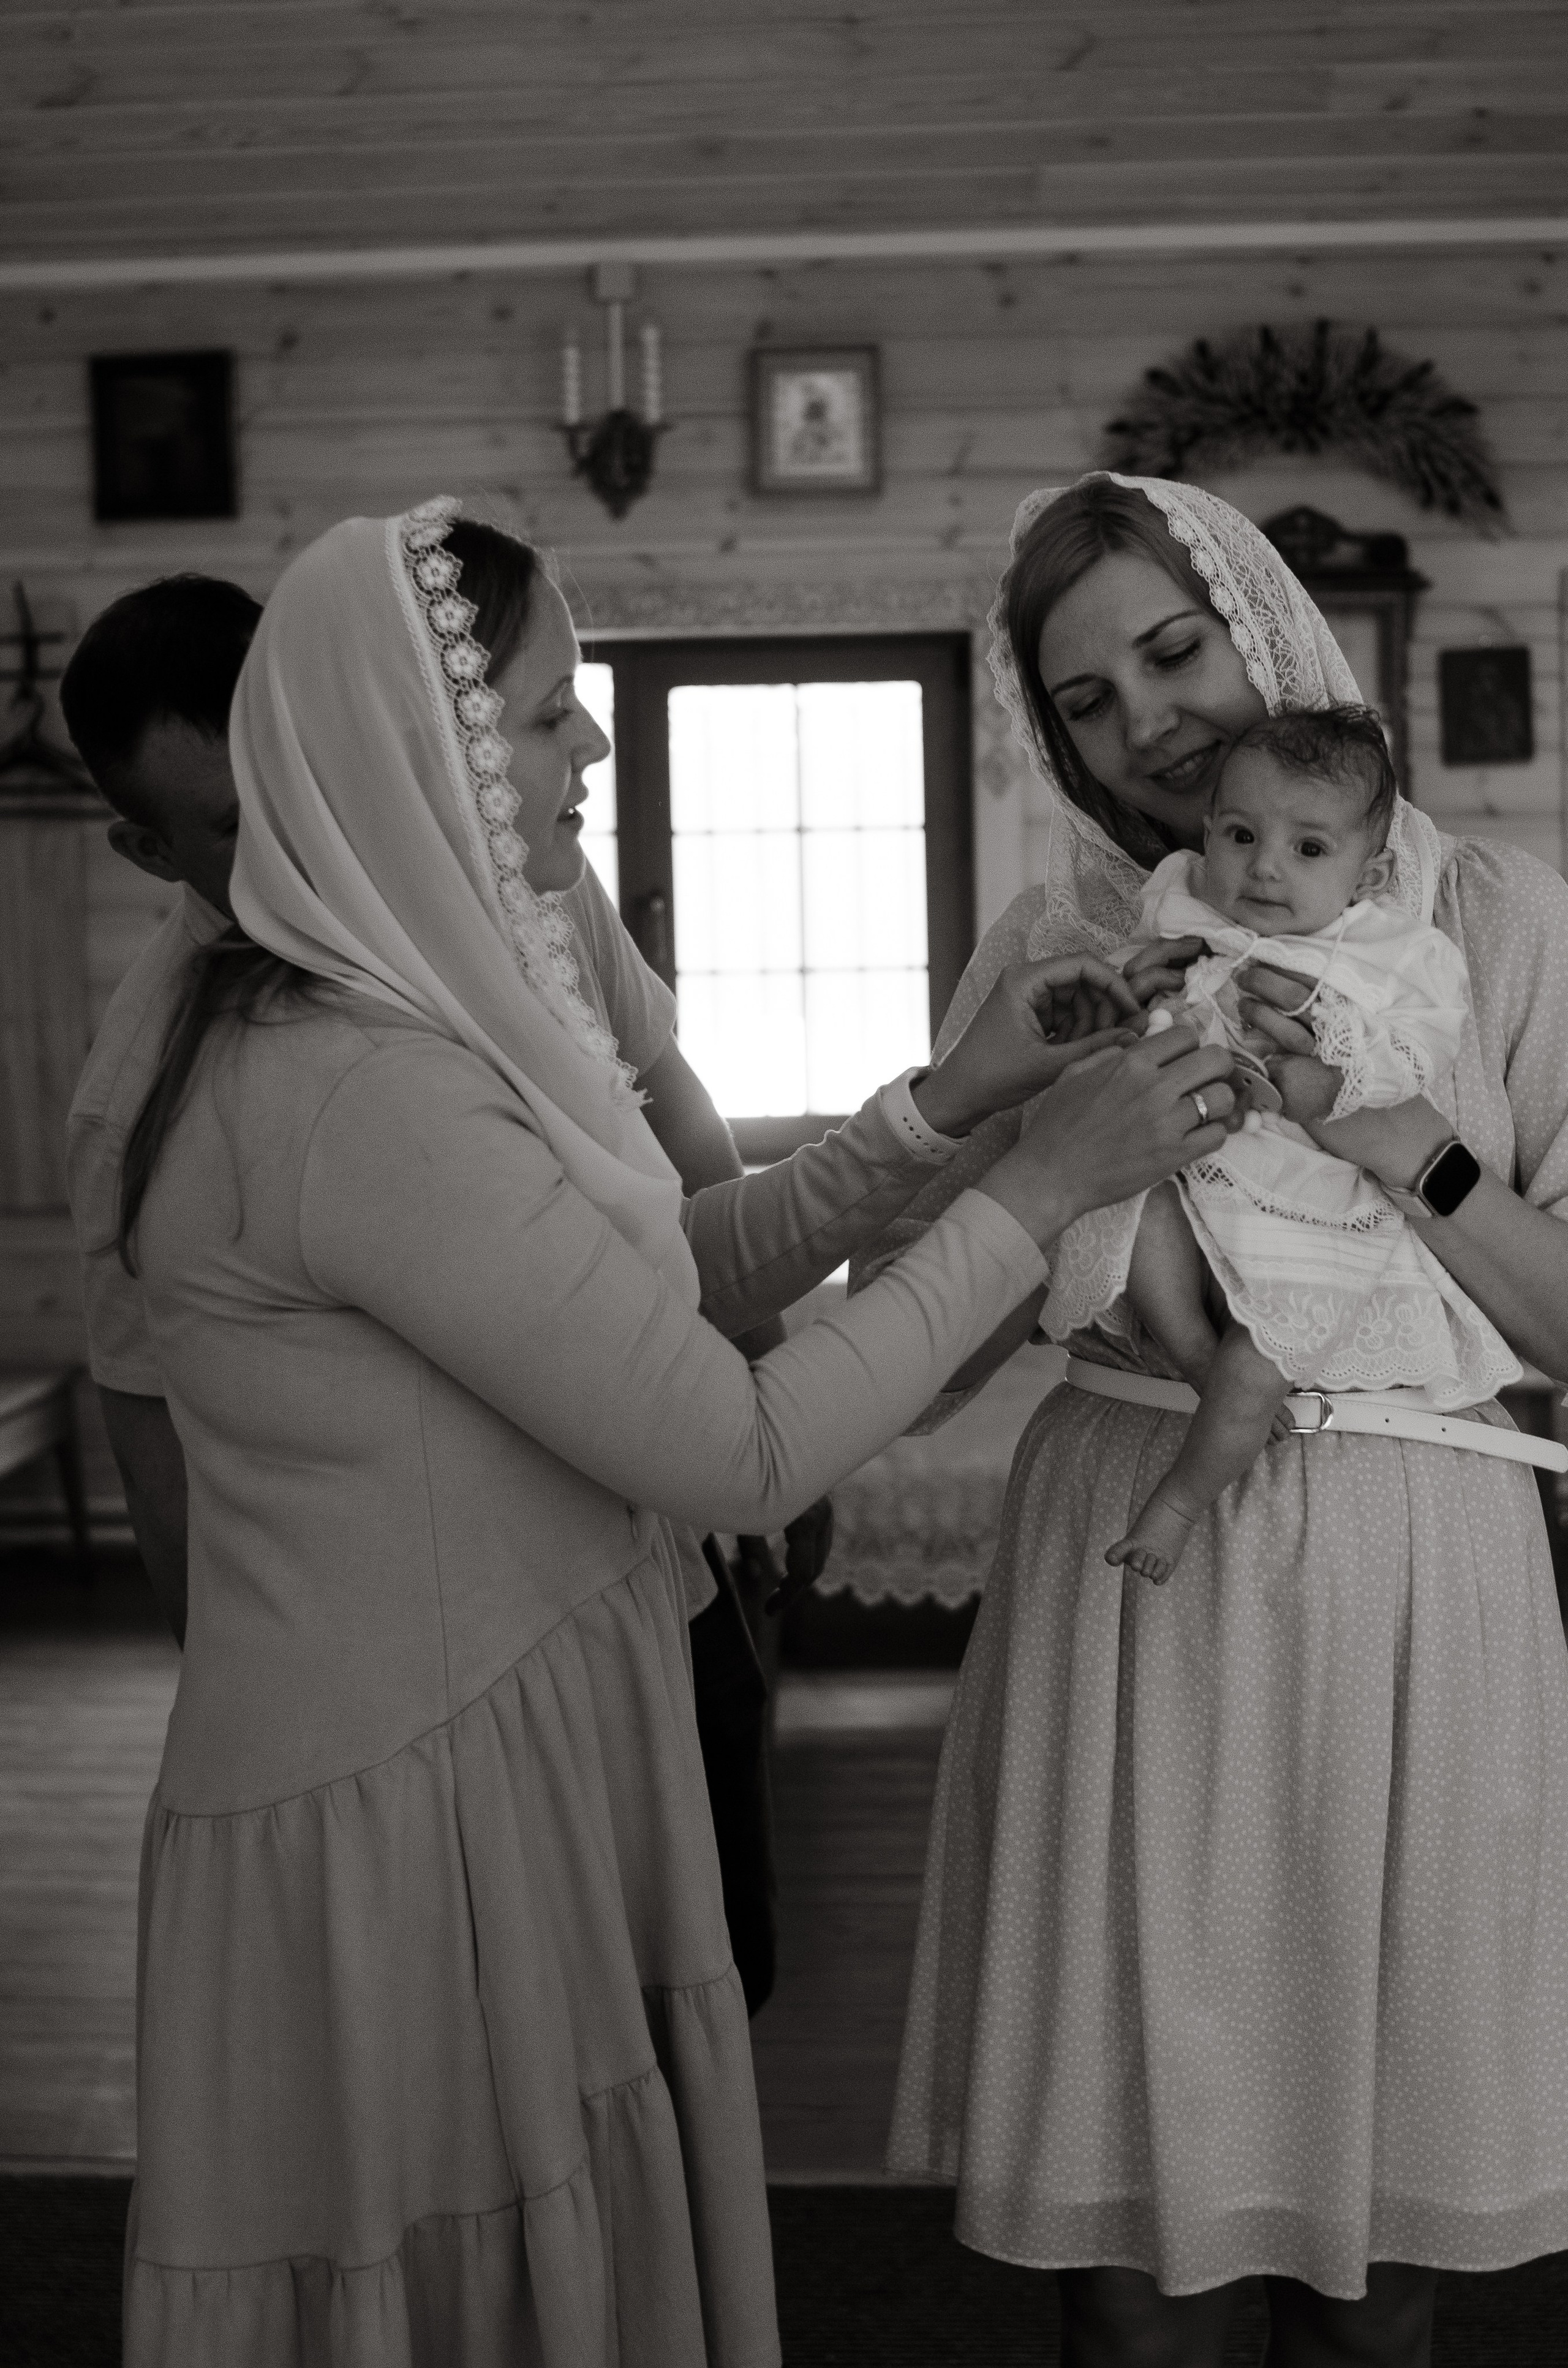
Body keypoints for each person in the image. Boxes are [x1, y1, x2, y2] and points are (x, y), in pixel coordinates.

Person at [116, 495, 1240, 2366]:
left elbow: (668, 1271)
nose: (595, 743)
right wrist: (1032, 1190)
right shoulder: (350, 1088)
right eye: (555, 709)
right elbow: (738, 1446)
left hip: (505, 1735)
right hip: (426, 1798)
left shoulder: (398, 1022)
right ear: (428, 763)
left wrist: (954, 1095)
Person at [863, 472, 1568, 2368]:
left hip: (1422, 1579)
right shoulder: (1058, 941)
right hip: (1135, 1580)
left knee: (1381, 2262)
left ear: (1265, 627)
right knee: (1138, 2264)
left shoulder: (1501, 925)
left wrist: (1399, 1143)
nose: (1147, 723)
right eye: (1084, 698)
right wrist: (1002, 1118)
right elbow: (919, 1336)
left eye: (1171, 651)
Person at [59, 566, 821, 2010]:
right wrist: (257, 1731)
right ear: (142, 847)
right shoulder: (148, 1100)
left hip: (667, 1550)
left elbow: (662, 1091)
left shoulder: (531, 884)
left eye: (303, 783)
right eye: (231, 827)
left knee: (724, 1957)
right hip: (456, 1661)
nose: (298, 838)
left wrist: (763, 1358)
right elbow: (152, 1425)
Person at [1054, 703, 1514, 1585]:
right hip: (1186, 1155)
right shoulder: (1182, 897)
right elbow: (1143, 975)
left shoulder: (1397, 951)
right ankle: (1192, 1353)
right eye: (1239, 833)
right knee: (1129, 1216)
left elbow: (1421, 1047)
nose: (1263, 866)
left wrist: (1336, 1077)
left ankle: (1183, 1497)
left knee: (1266, 1354)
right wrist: (1133, 988)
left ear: (1367, 871)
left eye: (1308, 849)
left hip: (1310, 1195)